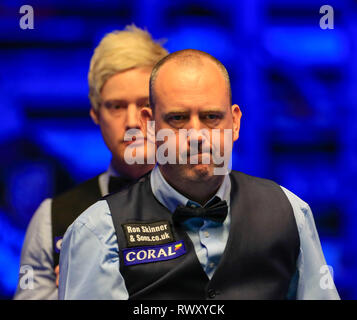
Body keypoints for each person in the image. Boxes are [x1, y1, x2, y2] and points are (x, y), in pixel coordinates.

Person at [58, 49, 340, 300]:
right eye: (178, 118)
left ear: (235, 123)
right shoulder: (98, 231)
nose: (197, 136)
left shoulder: (290, 212)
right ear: (149, 125)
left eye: (211, 117)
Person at [13, 25, 168, 300]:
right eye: (116, 106)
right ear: (96, 114)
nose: (132, 121)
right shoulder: (52, 219)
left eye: (145, 105)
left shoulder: (217, 208)